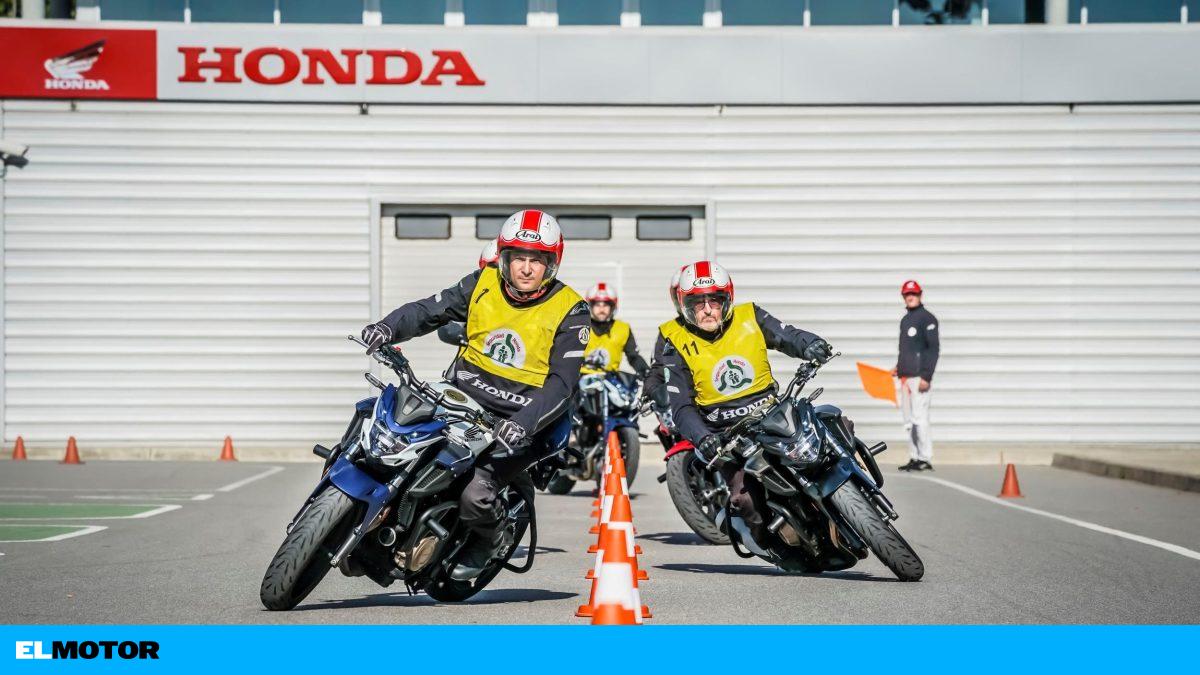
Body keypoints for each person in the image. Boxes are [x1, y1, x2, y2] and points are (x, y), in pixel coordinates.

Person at [359, 210, 589, 580]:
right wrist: (388, 327)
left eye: (537, 260)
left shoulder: (572, 309)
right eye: (518, 258)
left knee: (476, 493)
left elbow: (563, 383)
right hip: (465, 398)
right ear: (504, 257)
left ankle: (489, 542)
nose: (526, 268)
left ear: (552, 264)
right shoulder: (481, 282)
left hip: (529, 419)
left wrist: (523, 423)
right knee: (387, 422)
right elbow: (428, 310)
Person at [655, 261, 833, 552]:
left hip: (771, 413)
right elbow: (681, 406)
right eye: (697, 303)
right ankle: (773, 546)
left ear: (727, 299)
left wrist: (810, 343)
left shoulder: (750, 316)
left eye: (714, 301)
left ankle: (860, 491)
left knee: (832, 422)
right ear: (684, 306)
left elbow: (787, 335)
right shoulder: (673, 340)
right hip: (726, 435)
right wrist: (703, 438)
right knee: (745, 500)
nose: (707, 310)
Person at [894, 279, 940, 472]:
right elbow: (906, 350)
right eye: (907, 294)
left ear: (920, 295)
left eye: (914, 293)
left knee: (920, 419)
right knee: (909, 421)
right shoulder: (906, 320)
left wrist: (926, 377)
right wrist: (898, 367)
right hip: (905, 378)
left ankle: (925, 457)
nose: (910, 297)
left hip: (919, 378)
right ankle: (914, 456)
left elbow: (933, 349)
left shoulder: (928, 318)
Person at [580, 282, 649, 377]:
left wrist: (647, 373)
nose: (601, 309)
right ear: (590, 306)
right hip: (580, 379)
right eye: (597, 304)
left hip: (611, 380)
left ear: (612, 306)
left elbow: (634, 357)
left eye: (605, 305)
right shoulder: (580, 327)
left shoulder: (622, 328)